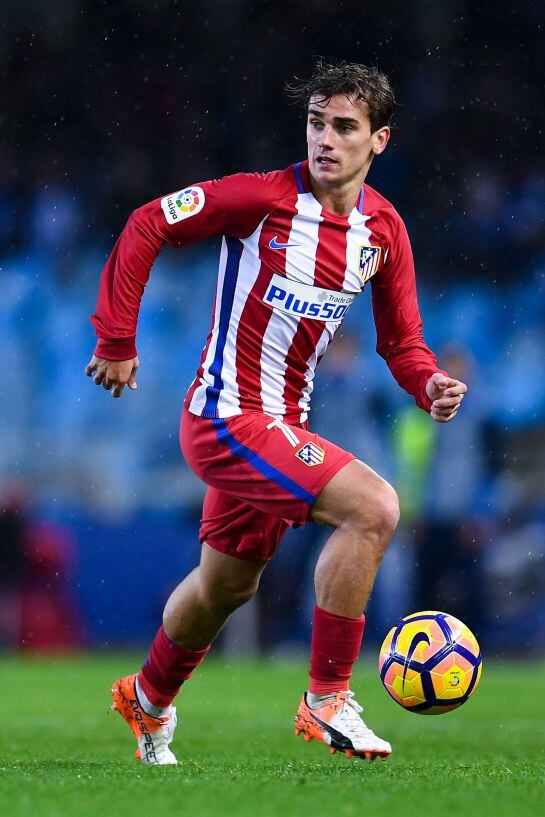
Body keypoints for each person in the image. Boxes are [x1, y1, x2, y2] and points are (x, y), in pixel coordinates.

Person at [86, 60, 467, 765]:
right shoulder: (260, 199)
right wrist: (116, 339)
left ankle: (147, 697)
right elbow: (147, 222)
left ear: (378, 140)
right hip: (226, 417)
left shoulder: (382, 230)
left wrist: (429, 384)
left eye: (344, 127)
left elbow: (402, 342)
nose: (325, 139)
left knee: (226, 585)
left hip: (282, 424)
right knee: (374, 509)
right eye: (316, 123)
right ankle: (327, 698)